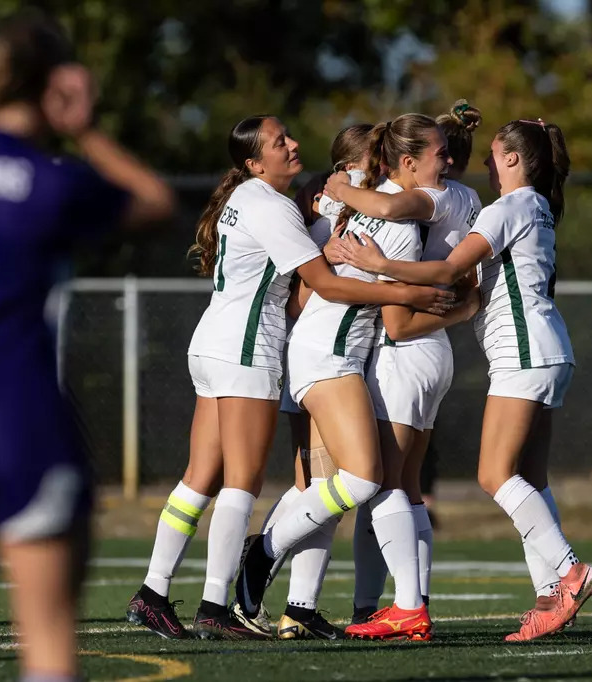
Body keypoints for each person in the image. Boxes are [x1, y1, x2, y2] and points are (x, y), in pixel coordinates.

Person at [125, 115, 454, 641]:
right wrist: (407, 291)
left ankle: (154, 592)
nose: (295, 144)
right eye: (281, 142)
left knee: (201, 478)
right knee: (243, 484)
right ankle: (216, 605)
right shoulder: (273, 204)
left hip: (216, 341)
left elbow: (312, 273)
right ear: (255, 163)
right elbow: (322, 285)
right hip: (248, 348)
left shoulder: (259, 200)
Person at [0, 11, 175, 682]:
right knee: (50, 657)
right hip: (16, 419)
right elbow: (153, 202)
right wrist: (83, 129)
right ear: (53, 85)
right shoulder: (47, 179)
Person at [333, 118, 592, 642]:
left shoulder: (511, 206)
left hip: (522, 355)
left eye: (493, 155)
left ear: (511, 160)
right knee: (531, 479)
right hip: (549, 351)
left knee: (494, 475)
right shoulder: (538, 206)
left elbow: (445, 271)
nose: (482, 164)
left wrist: (378, 263)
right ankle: (551, 593)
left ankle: (569, 573)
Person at [233, 113, 481, 642]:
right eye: (436, 157)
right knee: (368, 480)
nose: (446, 166)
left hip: (330, 352)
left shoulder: (367, 206)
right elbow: (389, 315)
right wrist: (417, 294)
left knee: (337, 486)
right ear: (404, 163)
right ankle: (267, 549)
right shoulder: (396, 219)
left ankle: (306, 605)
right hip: (331, 356)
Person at [322, 100, 483, 630]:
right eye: (441, 154)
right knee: (406, 487)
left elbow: (395, 321)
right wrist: (461, 309)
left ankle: (408, 608)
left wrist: (341, 192)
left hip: (406, 349)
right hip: (433, 352)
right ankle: (388, 604)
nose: (449, 163)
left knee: (385, 486)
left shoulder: (418, 201)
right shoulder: (463, 196)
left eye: (442, 152)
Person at [255, 123, 377, 641]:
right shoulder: (322, 219)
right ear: (350, 168)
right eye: (376, 161)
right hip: (312, 362)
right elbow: (298, 299)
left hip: (327, 362)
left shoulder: (338, 211)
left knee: (320, 489)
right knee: (324, 485)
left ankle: (297, 608)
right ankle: (260, 561)